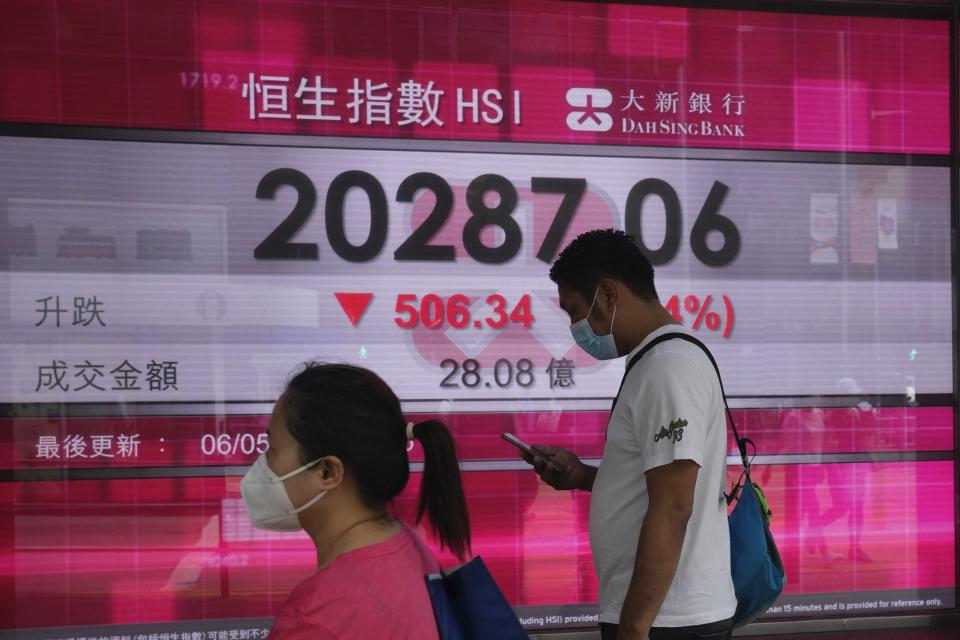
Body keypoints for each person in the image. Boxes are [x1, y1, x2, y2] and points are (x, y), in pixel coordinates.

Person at [525, 229, 737, 640]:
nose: (574, 328)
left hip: (668, 621)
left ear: (607, 295)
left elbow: (673, 506)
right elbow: (653, 481)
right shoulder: (656, 360)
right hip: (661, 617)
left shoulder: (668, 366)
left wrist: (635, 627)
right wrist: (584, 477)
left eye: (573, 311)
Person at [240, 362, 471, 639]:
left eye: (272, 448)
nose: (263, 463)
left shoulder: (314, 620)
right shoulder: (404, 545)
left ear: (328, 472)